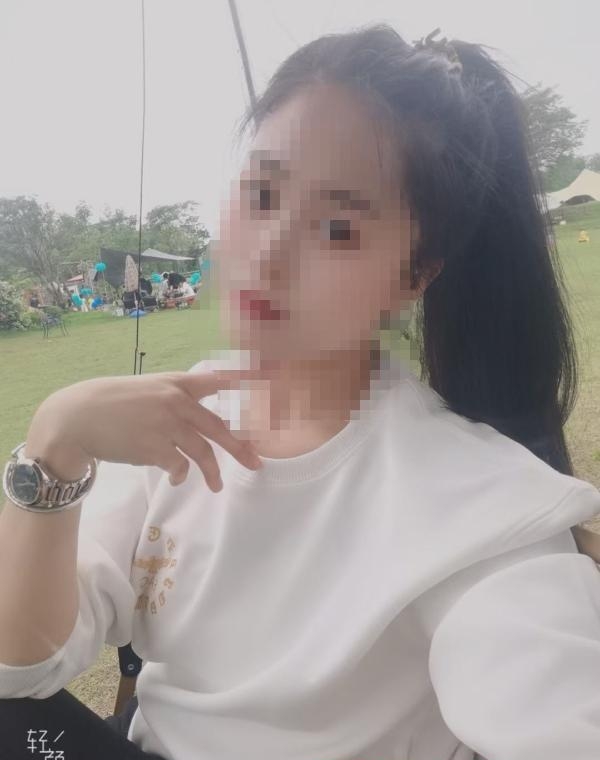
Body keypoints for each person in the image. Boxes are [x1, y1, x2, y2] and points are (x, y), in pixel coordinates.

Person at [1, 23, 600, 760]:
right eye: (260, 192)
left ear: (416, 275)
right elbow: (21, 671)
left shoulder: (482, 511)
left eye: (338, 227)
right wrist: (55, 446)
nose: (269, 251)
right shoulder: (159, 429)